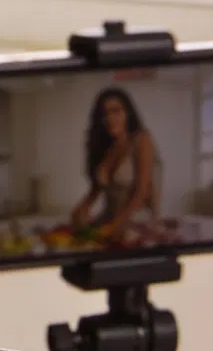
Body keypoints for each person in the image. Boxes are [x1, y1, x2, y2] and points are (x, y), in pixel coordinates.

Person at [69, 89, 162, 240]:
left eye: (116, 111)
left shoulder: (142, 140)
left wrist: (117, 224)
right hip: (109, 219)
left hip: (137, 220)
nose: (110, 118)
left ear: (128, 113)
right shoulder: (106, 149)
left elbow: (141, 192)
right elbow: (94, 193)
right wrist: (79, 211)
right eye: (104, 114)